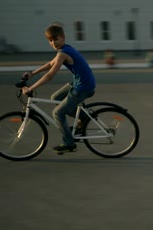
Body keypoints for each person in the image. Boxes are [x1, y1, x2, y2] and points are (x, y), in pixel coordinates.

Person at [22, 22, 96, 154]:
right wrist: (32, 73)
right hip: (80, 83)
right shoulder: (63, 50)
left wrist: (31, 87)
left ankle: (69, 143)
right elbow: (50, 64)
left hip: (83, 87)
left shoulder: (63, 53)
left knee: (57, 113)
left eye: (55, 39)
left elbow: (49, 76)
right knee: (55, 98)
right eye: (50, 40)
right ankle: (84, 117)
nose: (53, 43)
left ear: (63, 37)